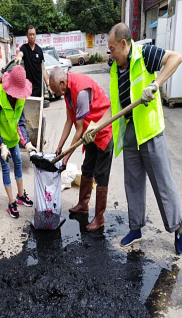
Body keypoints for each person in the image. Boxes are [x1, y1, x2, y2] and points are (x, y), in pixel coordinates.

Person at [84, 22, 182, 253]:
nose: (110, 53)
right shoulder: (115, 68)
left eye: (112, 48)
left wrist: (155, 84)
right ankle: (135, 229)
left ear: (124, 44)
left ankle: (178, 228)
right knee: (133, 184)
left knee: (163, 184)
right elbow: (115, 107)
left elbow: (176, 58)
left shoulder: (145, 54)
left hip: (150, 131)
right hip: (129, 133)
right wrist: (96, 125)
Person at [49, 66, 113, 232]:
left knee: (101, 174)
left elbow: (78, 129)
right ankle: (83, 205)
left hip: (103, 130)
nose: (58, 95)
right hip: (90, 132)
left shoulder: (81, 91)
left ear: (62, 82)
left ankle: (99, 217)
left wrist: (66, 157)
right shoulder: (67, 91)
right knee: (87, 168)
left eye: (57, 91)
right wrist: (60, 146)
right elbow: (69, 121)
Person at [0, 65, 36, 218]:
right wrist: (1, 145)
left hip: (12, 135)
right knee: (6, 167)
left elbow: (20, 122)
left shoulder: (21, 97)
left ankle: (20, 195)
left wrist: (26, 142)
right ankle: (11, 202)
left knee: (18, 162)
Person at [15, 25, 53, 97]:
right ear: (27, 36)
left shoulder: (39, 50)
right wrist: (19, 56)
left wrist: (48, 85)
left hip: (39, 86)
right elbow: (21, 53)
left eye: (33, 34)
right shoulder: (24, 48)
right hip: (28, 87)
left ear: (35, 35)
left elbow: (43, 69)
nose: (32, 37)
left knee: (39, 107)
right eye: (30, 34)